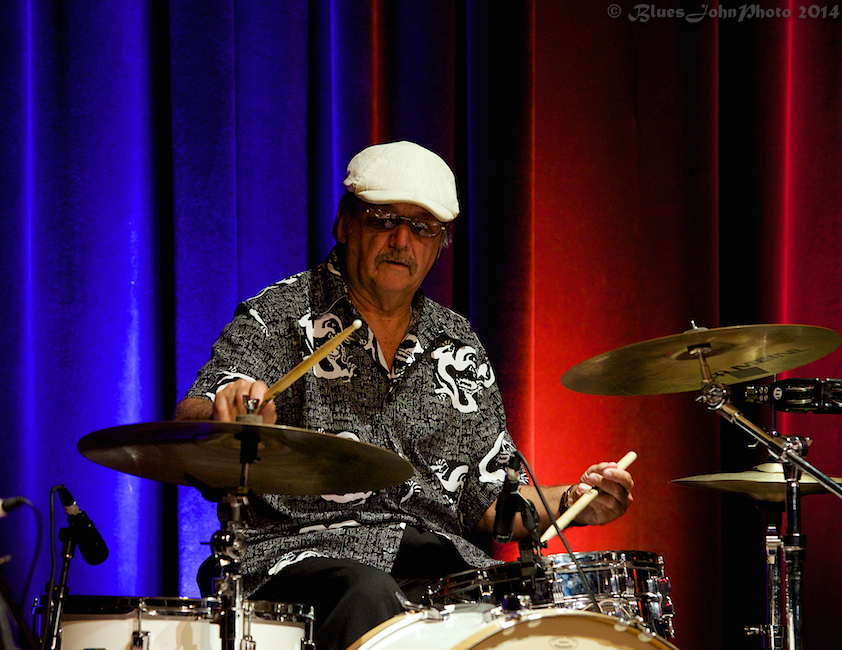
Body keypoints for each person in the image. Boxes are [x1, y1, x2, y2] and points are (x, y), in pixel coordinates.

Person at [174, 141, 634, 650]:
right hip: (302, 560)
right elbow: (193, 416)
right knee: (367, 593)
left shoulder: (456, 342)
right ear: (346, 224)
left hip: (436, 568)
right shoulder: (279, 315)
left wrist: (577, 501)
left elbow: (488, 502)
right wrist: (230, 411)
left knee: (544, 603)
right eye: (383, 219)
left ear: (440, 244)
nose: (401, 241)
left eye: (422, 228)